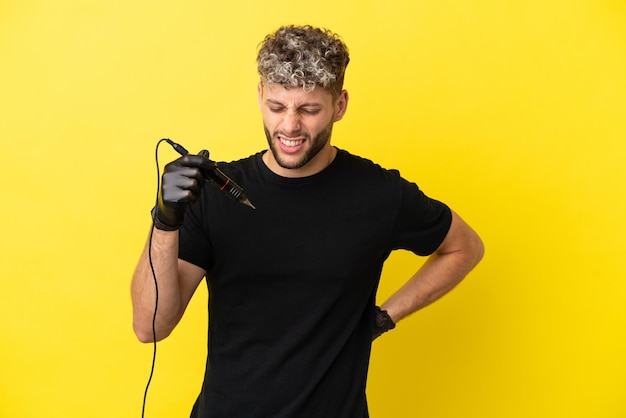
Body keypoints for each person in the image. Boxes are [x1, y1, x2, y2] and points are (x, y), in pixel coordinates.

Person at [131, 24, 484, 418]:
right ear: (261, 95)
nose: (289, 127)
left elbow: (465, 247)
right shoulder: (215, 193)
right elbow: (150, 327)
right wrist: (165, 220)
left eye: (309, 109)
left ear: (340, 105)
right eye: (277, 107)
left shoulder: (379, 193)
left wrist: (384, 317)